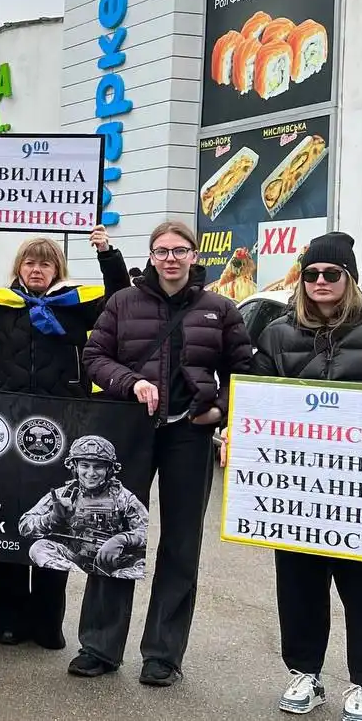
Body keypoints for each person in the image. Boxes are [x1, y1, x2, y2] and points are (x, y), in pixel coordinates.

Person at [70, 219, 250, 688]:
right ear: (151, 257)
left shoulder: (221, 308)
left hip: (189, 435)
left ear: (194, 256)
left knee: (180, 543)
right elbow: (93, 358)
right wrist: (132, 383)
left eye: (179, 250)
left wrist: (220, 412)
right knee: (115, 533)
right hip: (130, 430)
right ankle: (99, 646)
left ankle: (163, 655)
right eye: (161, 251)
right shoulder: (123, 302)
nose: (170, 258)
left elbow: (245, 372)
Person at [0, 223, 130, 649]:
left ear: (57, 268)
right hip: (4, 426)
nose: (37, 268)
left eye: (45, 262)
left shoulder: (76, 306)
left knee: (56, 525)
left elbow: (120, 297)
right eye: (30, 261)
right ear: (19, 268)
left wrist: (106, 251)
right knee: (5, 523)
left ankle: (46, 623)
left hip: (63, 426)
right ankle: (4, 620)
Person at [248, 232, 362, 721]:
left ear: (350, 280)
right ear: (301, 281)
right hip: (296, 491)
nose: (321, 281)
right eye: (312, 274)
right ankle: (305, 674)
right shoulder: (277, 334)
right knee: (299, 585)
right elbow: (254, 396)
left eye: (332, 274)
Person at [20, 435, 148, 578]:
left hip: (113, 560)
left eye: (98, 467)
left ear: (109, 469)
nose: (91, 473)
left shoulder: (123, 497)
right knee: (39, 548)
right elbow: (25, 526)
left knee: (140, 566)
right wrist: (52, 518)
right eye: (85, 466)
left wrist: (122, 539)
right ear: (75, 467)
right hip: (75, 558)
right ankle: (80, 578)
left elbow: (146, 530)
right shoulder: (64, 495)